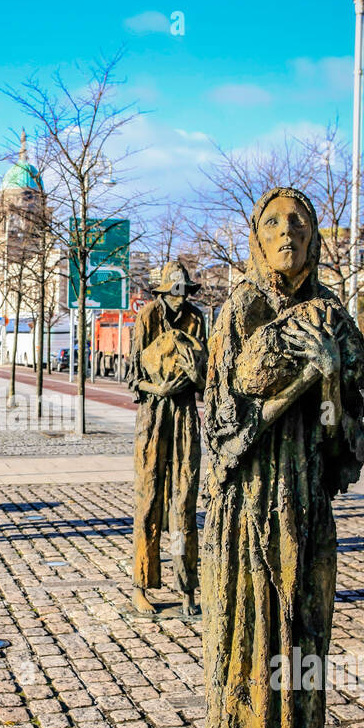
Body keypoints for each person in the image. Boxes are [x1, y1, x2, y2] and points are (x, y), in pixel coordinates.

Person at [200, 188, 364, 728]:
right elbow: (220, 426)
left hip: (310, 521)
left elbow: (349, 456)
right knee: (254, 687)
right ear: (254, 238)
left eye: (300, 224)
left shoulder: (334, 314)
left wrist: (337, 405)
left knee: (303, 687)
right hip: (250, 527)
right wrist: (281, 395)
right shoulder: (238, 309)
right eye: (273, 223)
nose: (288, 234)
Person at [127, 260, 207, 617]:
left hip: (186, 415)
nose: (179, 298)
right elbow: (132, 379)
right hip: (153, 416)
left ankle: (188, 587)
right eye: (173, 290)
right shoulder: (147, 317)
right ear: (163, 292)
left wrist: (194, 374)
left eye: (183, 291)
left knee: (185, 503)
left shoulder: (197, 319)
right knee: (148, 502)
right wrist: (157, 387)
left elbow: (208, 376)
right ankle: (141, 586)